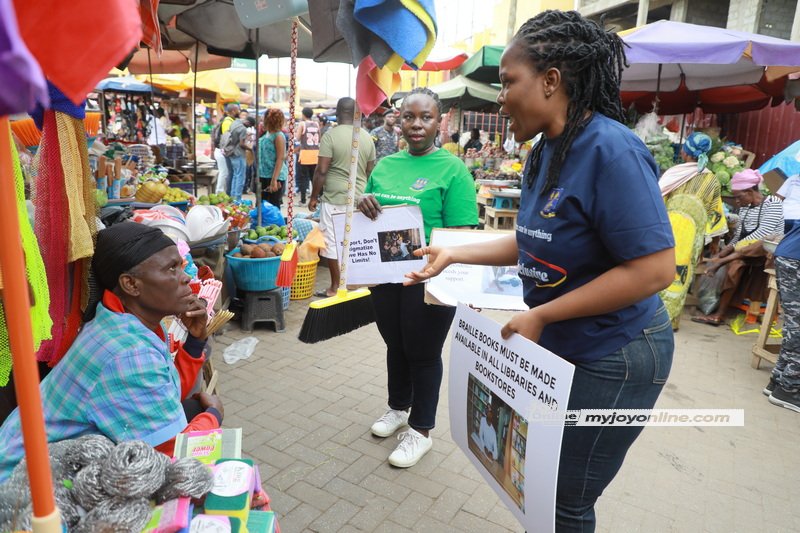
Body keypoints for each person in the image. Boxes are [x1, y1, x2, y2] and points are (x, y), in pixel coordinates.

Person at [404, 11, 675, 530]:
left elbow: (654, 270)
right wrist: (456, 254)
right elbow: (533, 238)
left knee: (563, 498)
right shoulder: (544, 151)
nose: (500, 98)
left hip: (616, 352)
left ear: (551, 81)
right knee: (537, 484)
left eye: (509, 82)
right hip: (566, 343)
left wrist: (543, 314)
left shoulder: (612, 150)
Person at [0, 223, 224, 481]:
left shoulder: (126, 322)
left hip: (44, 466)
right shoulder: (128, 353)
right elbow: (170, 455)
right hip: (22, 486)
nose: (185, 278)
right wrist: (214, 415)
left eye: (181, 267)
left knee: (193, 409)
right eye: (171, 269)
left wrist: (195, 342)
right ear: (131, 284)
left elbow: (164, 395)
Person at [357, 87, 478, 468]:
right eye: (409, 116)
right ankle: (398, 407)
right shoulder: (385, 166)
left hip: (430, 278)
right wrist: (362, 202)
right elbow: (367, 217)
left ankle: (421, 430)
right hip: (385, 275)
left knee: (423, 353)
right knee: (395, 344)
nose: (416, 124)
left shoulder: (453, 170)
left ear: (439, 121)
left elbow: (462, 233)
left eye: (426, 117)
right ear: (399, 121)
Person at [693, 169, 784, 326]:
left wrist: (725, 257)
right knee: (734, 265)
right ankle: (717, 313)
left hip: (766, 252)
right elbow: (738, 236)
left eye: (738, 197)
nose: (736, 201)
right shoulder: (745, 208)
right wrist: (723, 252)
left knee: (759, 243)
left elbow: (763, 234)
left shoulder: (772, 203)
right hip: (746, 253)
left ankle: (719, 311)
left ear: (749, 191)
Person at [658, 132, 728, 328]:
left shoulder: (674, 173)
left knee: (659, 271)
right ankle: (670, 321)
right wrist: (714, 243)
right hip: (691, 236)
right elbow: (715, 212)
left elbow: (657, 200)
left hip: (666, 231)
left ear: (686, 152)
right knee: (681, 274)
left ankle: (653, 318)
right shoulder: (711, 180)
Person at [309, 97, 376, 298]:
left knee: (332, 243)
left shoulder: (330, 136)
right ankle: (354, 285)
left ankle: (335, 287)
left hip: (335, 198)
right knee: (355, 243)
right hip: (360, 200)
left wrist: (313, 197)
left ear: (337, 114)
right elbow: (370, 171)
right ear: (357, 114)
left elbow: (321, 171)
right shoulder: (366, 137)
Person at [766, 176, 800, 411]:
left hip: (788, 254)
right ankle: (789, 390)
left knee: (793, 324)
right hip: (795, 258)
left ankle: (777, 381)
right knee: (797, 326)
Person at [258, 109, 289, 208]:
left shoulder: (278, 136)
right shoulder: (266, 134)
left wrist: (274, 180)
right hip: (263, 175)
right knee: (262, 206)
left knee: (272, 207)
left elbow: (280, 158)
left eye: (264, 118)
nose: (262, 120)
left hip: (275, 176)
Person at [295, 107, 320, 205]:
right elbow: (319, 138)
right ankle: (316, 198)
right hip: (315, 154)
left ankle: (303, 199)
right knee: (314, 178)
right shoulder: (316, 124)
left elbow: (297, 138)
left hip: (305, 154)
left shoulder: (302, 124)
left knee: (303, 178)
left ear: (303, 114)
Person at [212, 104, 238, 195]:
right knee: (224, 172)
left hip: (222, 151)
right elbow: (227, 137)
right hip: (222, 151)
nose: (239, 112)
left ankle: (221, 192)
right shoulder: (227, 121)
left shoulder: (229, 121)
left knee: (224, 172)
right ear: (233, 111)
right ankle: (219, 192)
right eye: (237, 110)